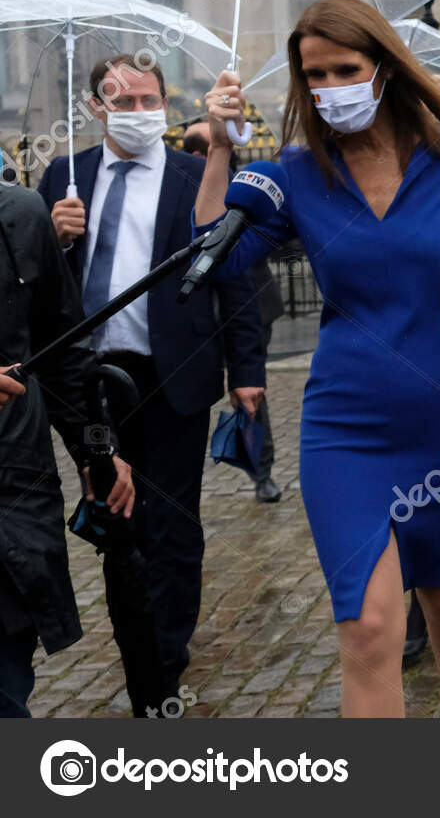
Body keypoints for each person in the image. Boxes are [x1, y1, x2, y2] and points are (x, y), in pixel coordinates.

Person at [196, 0, 440, 718]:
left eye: (346, 69)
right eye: (315, 74)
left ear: (385, 68)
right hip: (346, 427)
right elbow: (214, 253)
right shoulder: (298, 174)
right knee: (367, 627)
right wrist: (220, 146)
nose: (330, 87)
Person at [38, 55, 265, 705]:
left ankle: (164, 657)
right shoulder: (65, 174)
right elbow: (44, 286)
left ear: (165, 103)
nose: (138, 110)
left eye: (149, 98)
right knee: (116, 524)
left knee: (171, 523)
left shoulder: (197, 171)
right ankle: (139, 642)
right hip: (96, 383)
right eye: (123, 99)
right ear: (96, 106)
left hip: (176, 374)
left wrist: (247, 369)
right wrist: (56, 238)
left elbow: (234, 274)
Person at [0, 183, 135, 717]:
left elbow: (62, 353)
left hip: (13, 495)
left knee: (8, 679)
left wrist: (95, 451)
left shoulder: (20, 213)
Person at [182, 122, 284, 503]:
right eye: (214, 147)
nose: (232, 154)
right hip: (196, 312)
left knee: (249, 388)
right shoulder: (182, 185)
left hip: (251, 303)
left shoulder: (245, 186)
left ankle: (262, 471)